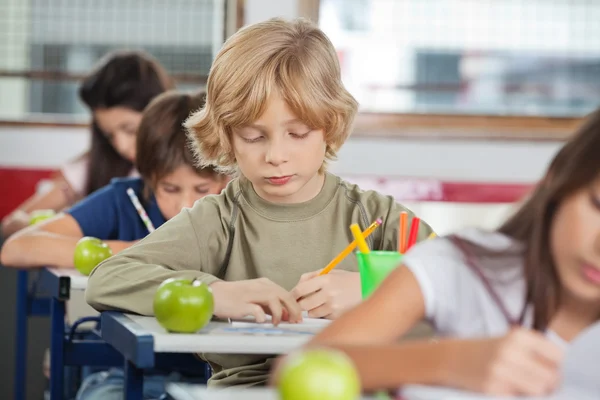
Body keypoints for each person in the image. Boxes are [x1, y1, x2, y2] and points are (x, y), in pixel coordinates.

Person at [84, 17, 435, 389]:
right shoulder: (221, 219)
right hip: (250, 390)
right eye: (253, 137)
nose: (276, 155)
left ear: (329, 125)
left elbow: (469, 290)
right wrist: (216, 294)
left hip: (360, 385)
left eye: (298, 133)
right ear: (227, 136)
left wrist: (369, 290)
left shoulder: (375, 217)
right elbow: (107, 279)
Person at [299, 109, 600, 397]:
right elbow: (302, 366)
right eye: (598, 206)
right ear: (557, 178)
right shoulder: (459, 267)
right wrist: (452, 360)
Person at [1, 50, 173, 238]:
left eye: (130, 130)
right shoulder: (90, 168)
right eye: (109, 135)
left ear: (160, 115)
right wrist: (62, 222)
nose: (121, 145)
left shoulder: (182, 165)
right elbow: (12, 224)